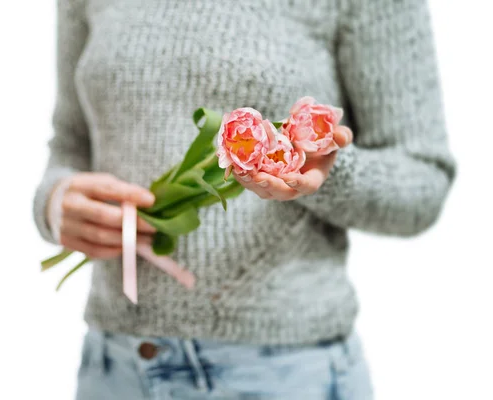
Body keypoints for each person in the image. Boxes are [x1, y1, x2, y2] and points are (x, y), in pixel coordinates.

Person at [33, 0, 455, 398]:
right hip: (113, 367)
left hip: (281, 372)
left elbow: (423, 181)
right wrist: (55, 204)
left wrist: (327, 174)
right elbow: (70, 141)